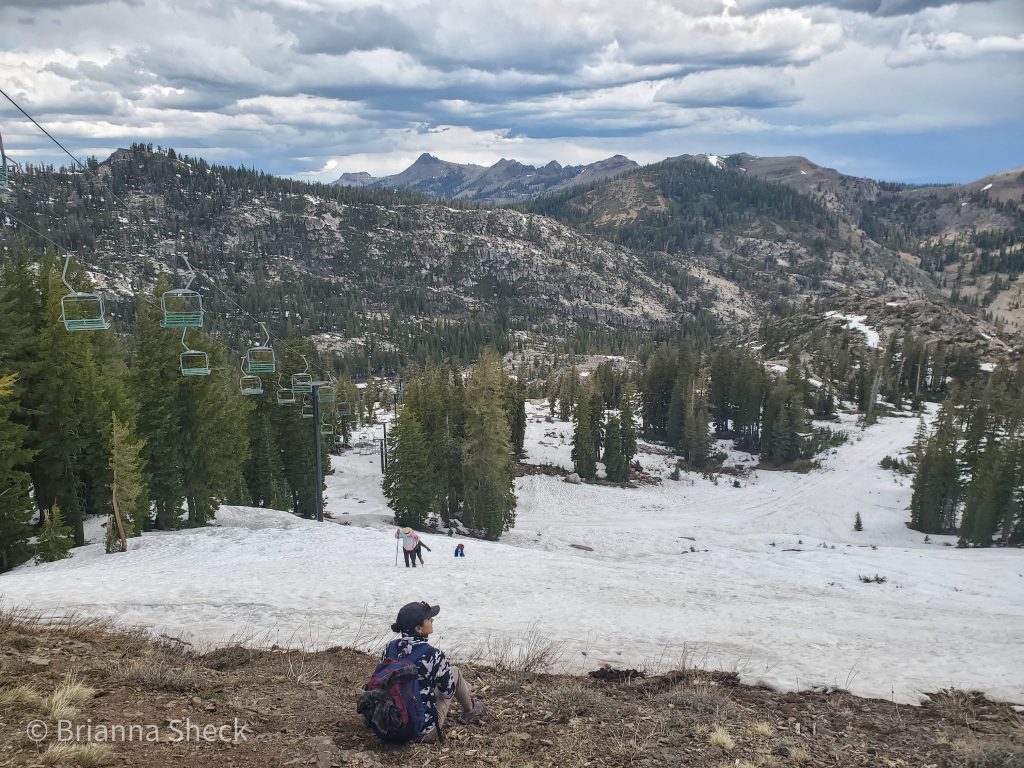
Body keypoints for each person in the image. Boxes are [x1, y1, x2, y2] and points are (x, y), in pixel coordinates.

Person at [386, 601, 485, 741]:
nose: (432, 620)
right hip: (420, 730)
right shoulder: (433, 654)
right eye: (428, 618)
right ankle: (470, 711)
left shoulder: (390, 648)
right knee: (454, 672)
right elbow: (448, 692)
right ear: (419, 628)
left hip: (390, 725)